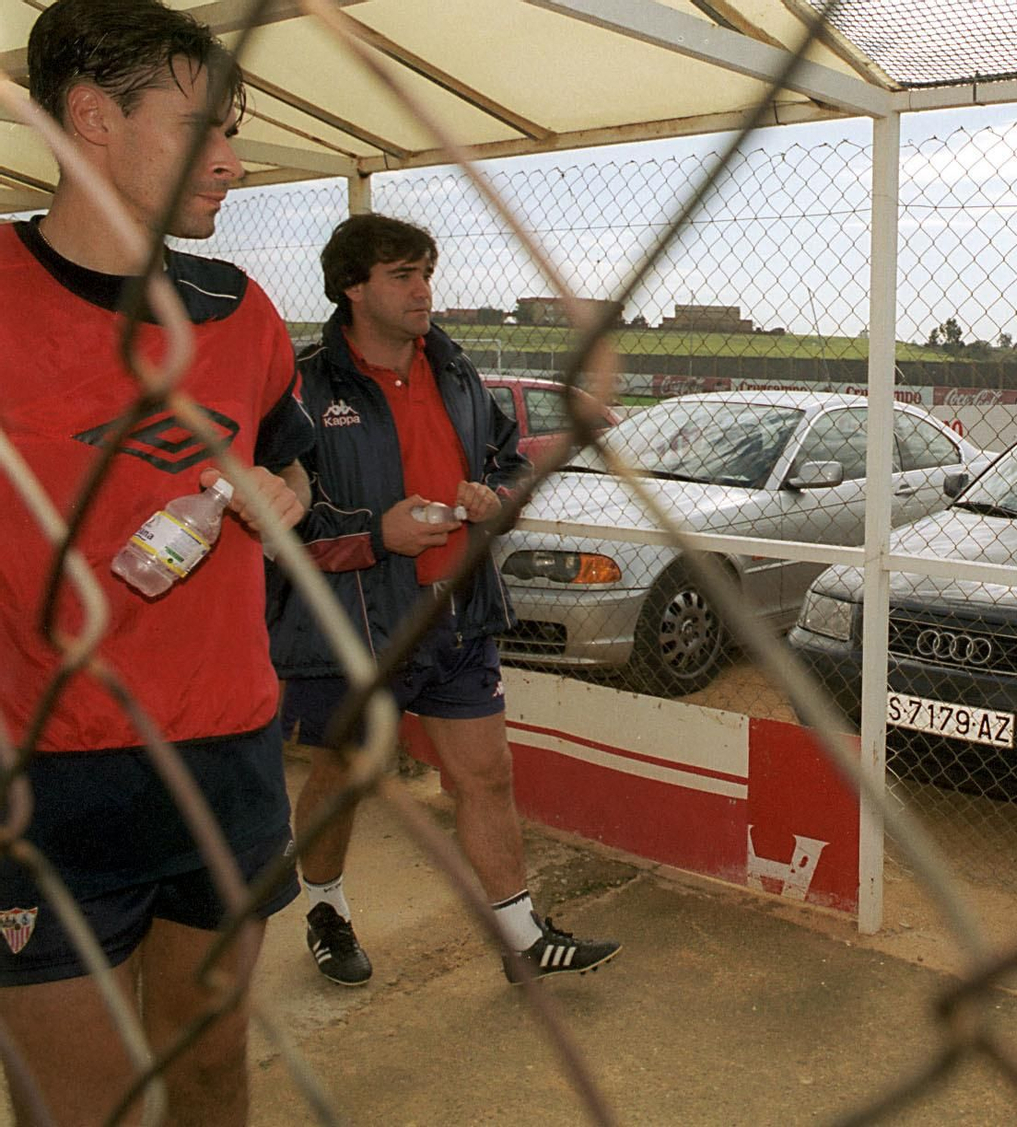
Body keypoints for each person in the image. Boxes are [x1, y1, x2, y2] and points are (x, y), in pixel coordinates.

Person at [0, 1, 315, 1123]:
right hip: (50, 771)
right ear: (89, 115)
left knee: (211, 1070)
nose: (231, 161)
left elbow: (293, 461)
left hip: (226, 754)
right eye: (199, 129)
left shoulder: (236, 308)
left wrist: (286, 492)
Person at [270, 213, 620, 988]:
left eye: (427, 271)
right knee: (342, 778)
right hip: (358, 625)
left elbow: (505, 458)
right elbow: (281, 521)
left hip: (459, 616)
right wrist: (375, 535)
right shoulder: (304, 384)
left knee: (487, 776)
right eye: (403, 274)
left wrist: (492, 494)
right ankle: (325, 908)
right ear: (353, 287)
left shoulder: (456, 370)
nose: (424, 289)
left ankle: (523, 938)